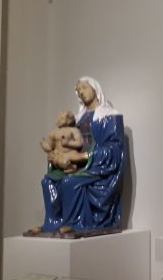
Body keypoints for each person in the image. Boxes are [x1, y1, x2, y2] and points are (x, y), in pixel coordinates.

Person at [36, 77, 125, 235]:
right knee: (48, 181)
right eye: (78, 91)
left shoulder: (110, 116)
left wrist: (83, 156)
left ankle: (76, 224)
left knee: (70, 182)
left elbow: (114, 151)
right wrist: (56, 157)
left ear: (95, 88)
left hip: (97, 167)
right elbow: (63, 143)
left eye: (84, 87)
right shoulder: (77, 119)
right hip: (75, 166)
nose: (81, 92)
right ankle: (53, 222)